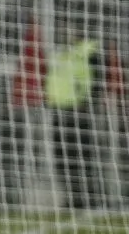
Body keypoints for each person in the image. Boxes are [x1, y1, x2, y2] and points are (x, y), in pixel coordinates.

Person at [45, 23, 106, 210]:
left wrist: (89, 101)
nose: (66, 31)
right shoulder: (63, 52)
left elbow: (97, 78)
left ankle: (88, 200)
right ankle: (71, 199)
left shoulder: (89, 50)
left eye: (71, 27)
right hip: (59, 110)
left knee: (81, 157)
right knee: (62, 159)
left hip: (78, 111)